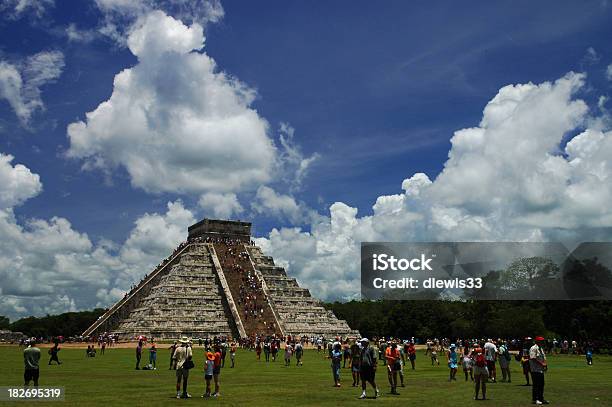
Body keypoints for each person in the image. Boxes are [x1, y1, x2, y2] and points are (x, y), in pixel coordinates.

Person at [529, 336, 549, 405]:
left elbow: (543, 358)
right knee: (536, 385)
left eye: (543, 341)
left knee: (541, 384)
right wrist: (542, 364)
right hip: (535, 369)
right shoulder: (533, 348)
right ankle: (535, 399)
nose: (542, 342)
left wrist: (545, 365)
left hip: (540, 370)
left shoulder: (541, 349)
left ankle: (541, 398)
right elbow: (533, 358)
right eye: (541, 341)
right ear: (537, 341)